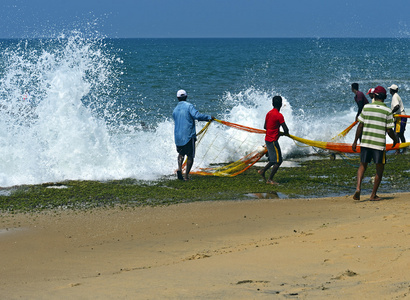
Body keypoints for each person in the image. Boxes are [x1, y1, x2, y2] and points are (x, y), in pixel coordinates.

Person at [352, 86, 398, 201]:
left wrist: (355, 141)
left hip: (365, 142)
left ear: (374, 96)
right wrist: (395, 140)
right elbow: (389, 130)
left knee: (362, 165)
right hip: (378, 145)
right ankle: (373, 195)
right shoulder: (387, 111)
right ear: (385, 97)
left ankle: (358, 188)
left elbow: (360, 125)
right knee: (379, 169)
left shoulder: (367, 108)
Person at [172, 89, 214, 181]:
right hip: (188, 136)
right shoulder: (189, 106)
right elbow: (197, 116)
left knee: (181, 153)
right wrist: (209, 118)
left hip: (178, 137)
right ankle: (186, 176)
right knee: (190, 156)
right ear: (186, 97)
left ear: (177, 98)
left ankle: (179, 169)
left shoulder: (175, 110)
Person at [258, 96, 289, 185]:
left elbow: (265, 126)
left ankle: (262, 171)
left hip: (267, 140)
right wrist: (283, 133)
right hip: (273, 141)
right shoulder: (279, 115)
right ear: (281, 105)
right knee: (278, 161)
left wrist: (274, 129)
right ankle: (269, 179)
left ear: (272, 104)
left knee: (273, 160)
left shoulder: (269, 113)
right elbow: (286, 130)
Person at [389, 84, 406, 154]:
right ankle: (404, 149)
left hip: (400, 117)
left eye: (390, 89)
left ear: (391, 90)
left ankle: (397, 150)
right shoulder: (396, 96)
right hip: (402, 116)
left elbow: (397, 106)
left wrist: (391, 112)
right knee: (401, 134)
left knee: (396, 134)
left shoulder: (394, 97)